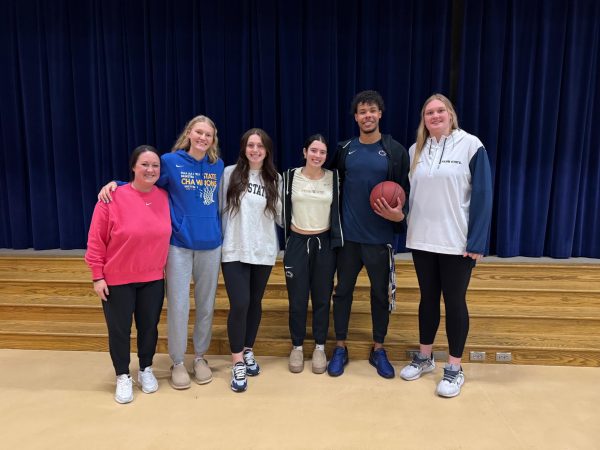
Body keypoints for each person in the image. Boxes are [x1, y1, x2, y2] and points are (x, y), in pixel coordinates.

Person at [98, 116, 224, 389]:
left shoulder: (217, 166)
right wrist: (117, 185)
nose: (203, 138)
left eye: (209, 135)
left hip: (211, 245)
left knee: (205, 306)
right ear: (189, 133)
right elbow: (145, 182)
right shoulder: (170, 161)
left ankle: (199, 357)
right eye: (199, 132)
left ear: (213, 139)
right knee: (178, 306)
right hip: (178, 245)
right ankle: (177, 361)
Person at [399, 93, 493, 398]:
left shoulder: (471, 145)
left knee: (454, 302)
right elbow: (412, 197)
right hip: (423, 240)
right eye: (429, 113)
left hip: (456, 243)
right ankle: (425, 358)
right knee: (428, 299)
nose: (435, 116)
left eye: (440, 111)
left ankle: (454, 368)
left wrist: (477, 239)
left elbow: (483, 194)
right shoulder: (416, 150)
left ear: (450, 114)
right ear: (424, 119)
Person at [326, 90, 410, 379]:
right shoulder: (344, 148)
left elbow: (403, 193)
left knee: (379, 295)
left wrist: (400, 216)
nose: (367, 116)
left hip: (379, 239)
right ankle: (340, 347)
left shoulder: (395, 151)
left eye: (372, 110)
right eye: (362, 112)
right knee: (343, 292)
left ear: (380, 114)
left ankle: (378, 348)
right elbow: (332, 188)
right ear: (355, 117)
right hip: (348, 239)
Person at [85, 145, 171, 404]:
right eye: (144, 164)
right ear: (133, 167)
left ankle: (145, 369)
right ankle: (123, 375)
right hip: (117, 279)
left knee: (149, 328)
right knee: (120, 331)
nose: (150, 169)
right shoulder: (111, 198)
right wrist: (97, 276)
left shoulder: (165, 197)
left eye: (155, 165)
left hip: (153, 278)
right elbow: (96, 240)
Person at [220, 128, 282, 393]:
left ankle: (247, 350)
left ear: (266, 150)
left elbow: (281, 217)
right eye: (250, 145)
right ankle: (237, 362)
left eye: (260, 146)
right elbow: (218, 209)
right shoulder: (229, 173)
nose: (255, 150)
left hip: (263, 251)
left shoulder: (274, 178)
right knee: (240, 303)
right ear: (244, 148)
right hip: (234, 249)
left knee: (255, 302)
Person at [282, 134, 343, 374]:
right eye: (313, 150)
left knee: (321, 298)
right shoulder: (289, 177)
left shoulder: (333, 178)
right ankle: (297, 346)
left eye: (322, 152)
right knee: (297, 300)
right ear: (304, 152)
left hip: (324, 243)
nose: (317, 156)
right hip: (297, 242)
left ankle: (319, 346)